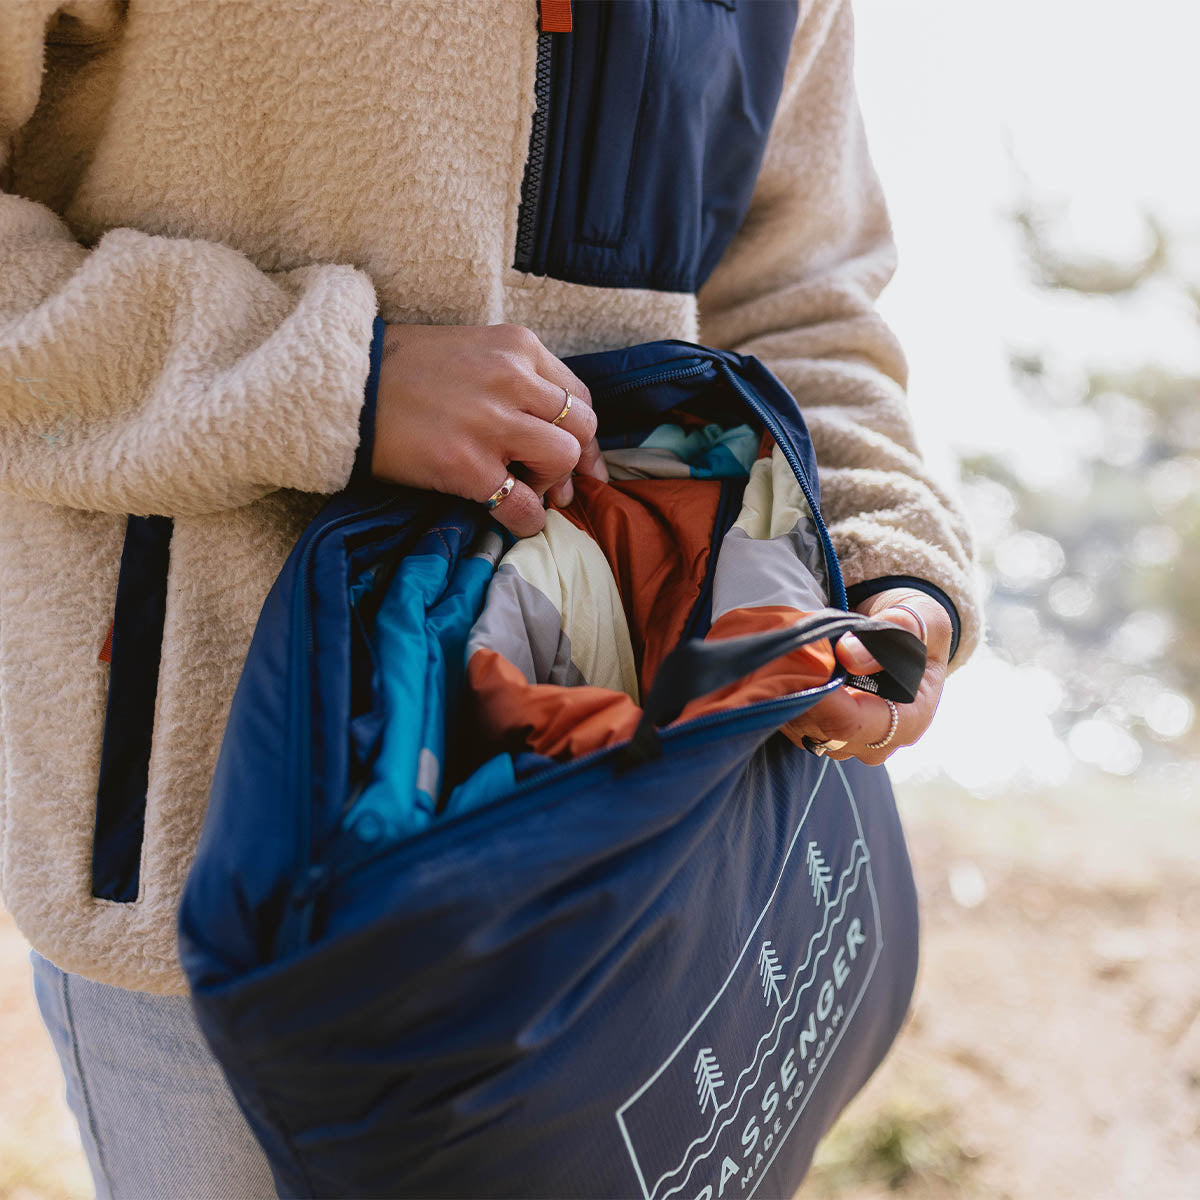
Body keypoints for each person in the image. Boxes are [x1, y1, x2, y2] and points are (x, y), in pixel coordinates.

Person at [0, 0, 978, 1195]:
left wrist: (893, 572)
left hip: (660, 857)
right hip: (228, 879)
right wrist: (324, 372)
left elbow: (799, 295)